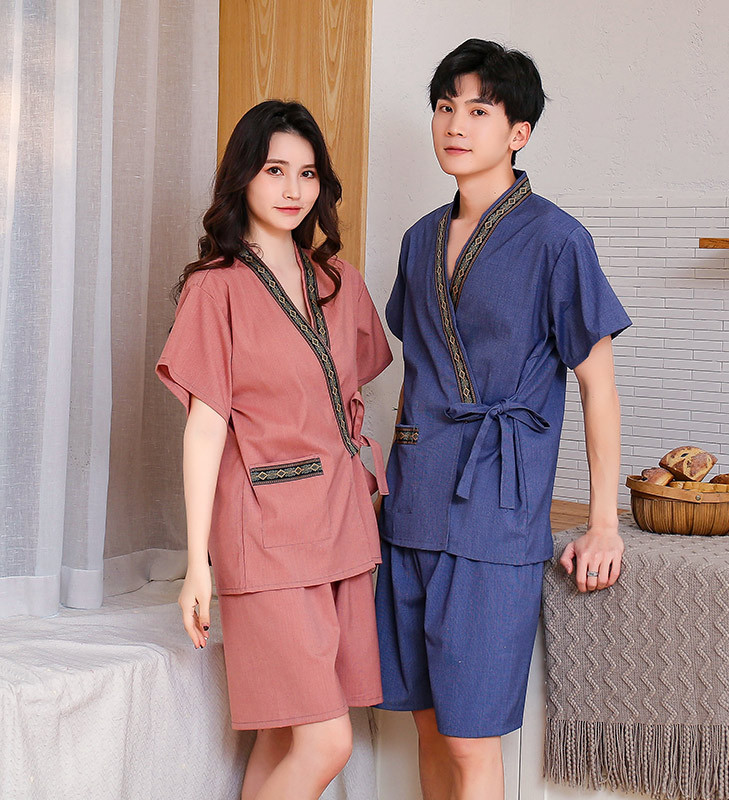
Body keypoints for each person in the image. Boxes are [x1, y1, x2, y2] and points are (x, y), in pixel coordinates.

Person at [375, 39, 633, 800]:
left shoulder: (558, 239)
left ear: (518, 132)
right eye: (445, 106)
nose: (456, 124)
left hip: (497, 508)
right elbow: (415, 371)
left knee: (470, 737)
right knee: (425, 724)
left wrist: (604, 523)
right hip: (413, 501)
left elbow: (597, 388)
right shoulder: (419, 239)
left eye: (479, 110)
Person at [155, 100, 392, 800]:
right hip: (265, 535)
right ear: (244, 178)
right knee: (327, 742)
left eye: (308, 173)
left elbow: (351, 395)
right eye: (275, 170)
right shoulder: (215, 289)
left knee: (282, 735)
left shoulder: (341, 282)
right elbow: (204, 430)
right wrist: (195, 566)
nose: (293, 189)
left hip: (342, 525)